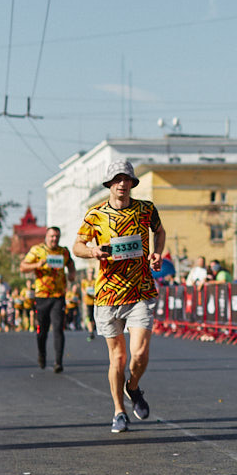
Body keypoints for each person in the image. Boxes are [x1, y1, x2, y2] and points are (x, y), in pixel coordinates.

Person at [74, 158, 166, 434]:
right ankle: (119, 411)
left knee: (139, 353)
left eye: (127, 179)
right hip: (108, 295)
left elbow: (159, 232)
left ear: (133, 183)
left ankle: (133, 387)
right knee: (118, 359)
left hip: (140, 290)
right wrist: (92, 251)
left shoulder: (146, 209)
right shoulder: (95, 214)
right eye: (117, 180)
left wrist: (157, 252)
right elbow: (77, 245)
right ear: (109, 184)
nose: (122, 184)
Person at [20, 226, 78, 371]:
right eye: (52, 236)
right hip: (41, 296)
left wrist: (72, 274)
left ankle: (58, 362)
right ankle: (42, 353)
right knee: (42, 330)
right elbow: (23, 266)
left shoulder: (63, 252)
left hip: (58, 296)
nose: (54, 239)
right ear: (46, 237)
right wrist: (37, 264)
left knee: (58, 328)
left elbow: (71, 264)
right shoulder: (37, 250)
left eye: (57, 236)